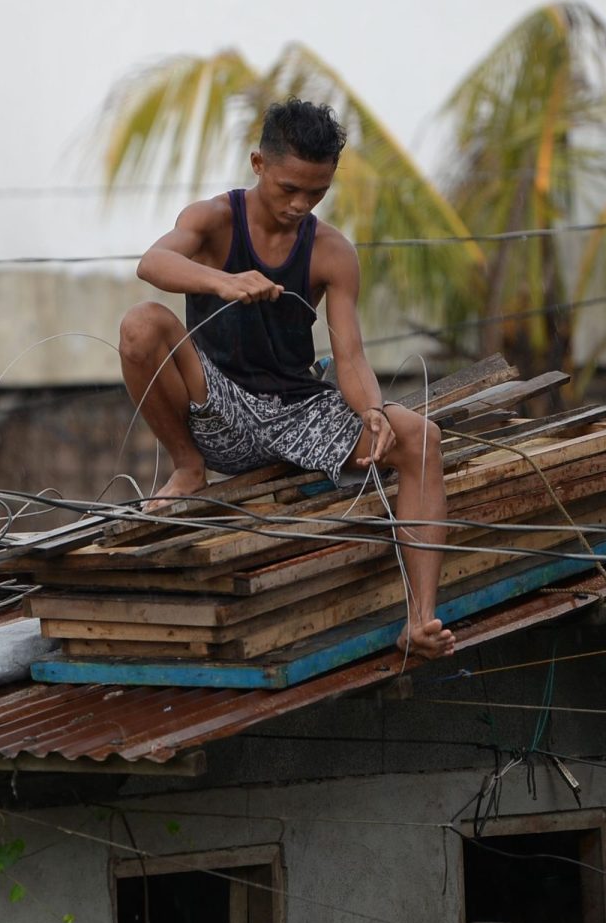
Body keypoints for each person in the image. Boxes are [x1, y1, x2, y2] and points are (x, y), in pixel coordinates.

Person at [118, 98, 454, 660]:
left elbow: (349, 356)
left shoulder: (332, 251)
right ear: (258, 164)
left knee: (421, 436)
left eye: (316, 192)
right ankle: (186, 466)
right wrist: (221, 282)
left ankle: (419, 620)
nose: (300, 204)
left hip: (298, 411)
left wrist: (371, 408)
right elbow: (151, 263)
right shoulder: (212, 220)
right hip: (218, 404)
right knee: (140, 325)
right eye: (288, 189)